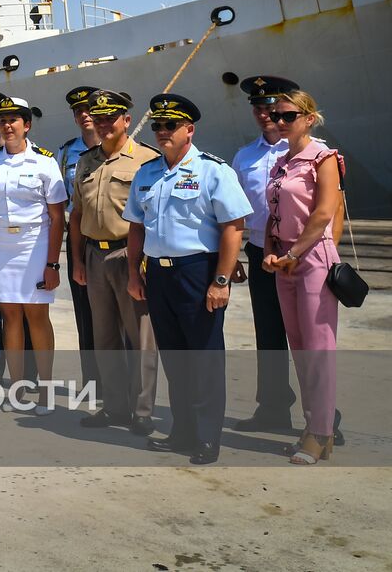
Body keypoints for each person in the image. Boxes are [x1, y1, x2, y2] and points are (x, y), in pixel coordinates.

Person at [125, 94, 251, 465]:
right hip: (158, 275)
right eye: (158, 126)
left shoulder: (214, 171)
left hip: (198, 272)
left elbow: (232, 228)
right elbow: (135, 227)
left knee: (204, 358)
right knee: (176, 358)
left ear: (189, 130)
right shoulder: (147, 173)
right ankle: (181, 431)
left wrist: (222, 280)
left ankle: (207, 436)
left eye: (170, 126)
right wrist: (134, 272)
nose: (162, 132)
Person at [69, 91, 161, 435]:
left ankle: (142, 411)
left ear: (126, 119)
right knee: (103, 337)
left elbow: (154, 217)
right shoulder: (86, 161)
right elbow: (76, 215)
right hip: (94, 256)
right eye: (99, 117)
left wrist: (142, 265)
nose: (104, 123)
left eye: (112, 117)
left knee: (140, 337)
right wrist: (77, 260)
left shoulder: (147, 161)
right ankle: (115, 407)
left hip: (130, 256)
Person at [0, 96, 67, 410]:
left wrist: (53, 263)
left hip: (34, 247)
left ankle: (46, 390)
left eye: (15, 120)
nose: (7, 125)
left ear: (27, 125)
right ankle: (18, 389)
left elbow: (58, 218)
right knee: (10, 318)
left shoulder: (44, 162)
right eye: (4, 119)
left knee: (37, 316)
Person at [263, 89, 342, 464]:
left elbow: (325, 212)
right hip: (286, 262)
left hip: (313, 259)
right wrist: (270, 252)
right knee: (299, 347)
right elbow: (272, 213)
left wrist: (294, 253)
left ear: (309, 118)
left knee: (318, 349)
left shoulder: (323, 157)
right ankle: (314, 430)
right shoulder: (281, 162)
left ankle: (321, 431)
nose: (278, 121)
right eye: (275, 115)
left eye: (287, 116)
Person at [230, 75, 300, 431]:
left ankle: (324, 415)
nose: (264, 113)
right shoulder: (244, 157)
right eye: (258, 107)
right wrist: (234, 258)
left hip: (301, 254)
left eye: (270, 106)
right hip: (260, 253)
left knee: (308, 340)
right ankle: (273, 409)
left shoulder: (309, 150)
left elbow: (330, 210)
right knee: (269, 336)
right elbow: (234, 211)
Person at [57, 85, 100, 394]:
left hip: (116, 240)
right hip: (79, 240)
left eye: (89, 108)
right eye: (78, 110)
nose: (84, 114)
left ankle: (122, 379)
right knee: (85, 311)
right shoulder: (67, 151)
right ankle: (93, 379)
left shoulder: (125, 149)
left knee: (119, 313)